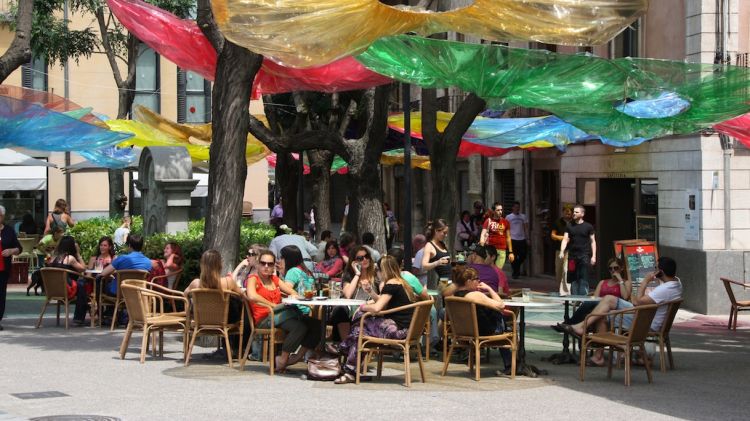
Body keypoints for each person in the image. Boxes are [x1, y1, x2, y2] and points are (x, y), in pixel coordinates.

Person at [562, 257, 682, 367]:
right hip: (647, 318)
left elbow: (637, 302)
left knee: (605, 308)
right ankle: (586, 333)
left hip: (645, 323)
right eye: (611, 269)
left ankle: (595, 349)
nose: (654, 270)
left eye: (656, 268)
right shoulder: (676, 284)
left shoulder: (664, 289)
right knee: (606, 306)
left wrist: (645, 282)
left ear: (661, 271)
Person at [334, 255, 417, 384]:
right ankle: (349, 365)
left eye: (378, 270)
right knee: (361, 329)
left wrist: (362, 307)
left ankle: (345, 354)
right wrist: (371, 292)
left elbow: (378, 308)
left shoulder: (391, 284)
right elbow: (383, 303)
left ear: (384, 270)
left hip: (397, 331)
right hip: (408, 329)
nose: (377, 273)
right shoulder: (402, 283)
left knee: (360, 327)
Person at [246, 250, 321, 372]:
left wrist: (294, 296)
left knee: (316, 325)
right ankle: (283, 359)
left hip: (280, 314)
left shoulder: (274, 279)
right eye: (263, 263)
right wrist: (272, 305)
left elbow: (293, 292)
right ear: (258, 264)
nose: (266, 266)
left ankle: (296, 357)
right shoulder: (253, 278)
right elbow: (251, 296)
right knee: (299, 327)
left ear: (273, 266)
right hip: (265, 318)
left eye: (270, 264)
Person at [451, 266, 513, 374]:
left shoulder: (454, 296)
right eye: (477, 279)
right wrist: (489, 288)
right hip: (485, 331)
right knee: (507, 326)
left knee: (502, 323)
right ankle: (511, 365)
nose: (479, 281)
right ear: (469, 281)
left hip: (463, 332)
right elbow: (501, 305)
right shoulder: (476, 295)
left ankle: (510, 365)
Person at [184, 250, 245, 359]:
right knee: (236, 304)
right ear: (220, 265)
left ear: (202, 264)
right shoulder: (227, 282)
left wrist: (189, 312)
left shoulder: (196, 283)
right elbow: (242, 295)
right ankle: (235, 349)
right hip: (224, 321)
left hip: (201, 320)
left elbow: (184, 295)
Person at [551, 258, 631, 335]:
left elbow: (625, 297)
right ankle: (576, 328)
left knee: (590, 307)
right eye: (610, 269)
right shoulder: (602, 282)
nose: (613, 271)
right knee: (591, 304)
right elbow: (594, 298)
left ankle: (570, 323)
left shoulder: (625, 283)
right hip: (599, 307)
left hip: (613, 309)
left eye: (616, 268)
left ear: (621, 268)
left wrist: (620, 280)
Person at [47, 235, 89, 325]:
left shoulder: (53, 257)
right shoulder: (70, 258)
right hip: (67, 289)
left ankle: (80, 316)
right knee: (82, 285)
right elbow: (83, 269)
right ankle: (79, 317)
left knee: (81, 285)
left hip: (54, 290)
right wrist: (78, 254)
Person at [559, 204, 596, 295]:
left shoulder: (588, 227)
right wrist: (562, 251)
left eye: (576, 212)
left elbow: (593, 241)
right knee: (573, 279)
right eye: (574, 212)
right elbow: (565, 239)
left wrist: (594, 256)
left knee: (583, 278)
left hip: (584, 255)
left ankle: (582, 300)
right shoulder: (569, 226)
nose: (574, 213)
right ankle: (574, 300)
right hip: (572, 257)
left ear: (582, 214)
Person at [0, 205, 22, 330]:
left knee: (1, 295)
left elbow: (19, 248)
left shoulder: (8, 230)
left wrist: (11, 251)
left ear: (2, 216)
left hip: (3, 269)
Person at [278, 245, 315, 316]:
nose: (280, 260)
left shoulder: (293, 271)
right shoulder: (306, 271)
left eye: (281, 257)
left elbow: (285, 290)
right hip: (310, 308)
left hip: (299, 310)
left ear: (287, 259)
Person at [479, 202, 514, 271]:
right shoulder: (488, 221)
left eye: (501, 210)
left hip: (502, 250)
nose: (500, 212)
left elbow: (508, 237)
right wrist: (481, 246)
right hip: (490, 250)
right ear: (493, 211)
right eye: (498, 210)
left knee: (497, 271)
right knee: (489, 270)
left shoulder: (505, 222)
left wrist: (510, 252)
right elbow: (483, 234)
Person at [551, 205, 573, 295]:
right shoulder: (558, 222)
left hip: (570, 250)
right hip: (559, 250)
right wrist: (561, 238)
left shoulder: (574, 223)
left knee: (566, 270)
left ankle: (565, 292)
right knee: (559, 270)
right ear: (563, 212)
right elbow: (552, 235)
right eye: (566, 211)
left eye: (569, 212)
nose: (567, 213)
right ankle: (560, 288)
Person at [506, 201, 529, 279]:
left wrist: (527, 238)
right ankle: (515, 272)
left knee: (523, 255)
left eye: (518, 207)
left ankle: (517, 268)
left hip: (521, 239)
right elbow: (506, 229)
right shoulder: (508, 217)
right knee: (513, 257)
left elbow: (526, 227)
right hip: (512, 239)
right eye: (515, 207)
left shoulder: (523, 216)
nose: (517, 208)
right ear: (512, 208)